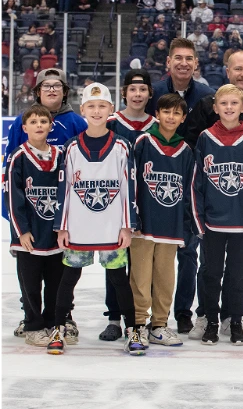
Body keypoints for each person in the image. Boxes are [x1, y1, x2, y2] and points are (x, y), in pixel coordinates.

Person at [48, 83, 143, 356]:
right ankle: (58, 328)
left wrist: (128, 225)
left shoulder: (123, 147)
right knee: (68, 278)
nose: (97, 110)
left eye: (102, 106)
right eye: (91, 106)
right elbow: (63, 189)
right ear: (83, 110)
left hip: (112, 226)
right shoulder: (71, 148)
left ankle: (133, 329)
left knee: (118, 280)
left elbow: (128, 188)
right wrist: (61, 225)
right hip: (79, 225)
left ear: (111, 110)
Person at [184, 50, 243, 340]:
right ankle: (208, 319)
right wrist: (198, 220)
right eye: (224, 103)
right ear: (215, 107)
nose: (229, 107)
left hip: (242, 222)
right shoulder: (205, 138)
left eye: (235, 103)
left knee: (237, 275)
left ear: (242, 106)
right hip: (212, 223)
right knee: (209, 273)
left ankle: (234, 319)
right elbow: (196, 182)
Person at [145, 38, 213, 335]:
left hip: (190, 186)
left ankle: (183, 312)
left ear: (196, 64)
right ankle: (143, 314)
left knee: (187, 253)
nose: (184, 63)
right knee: (150, 252)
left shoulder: (208, 96)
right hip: (156, 185)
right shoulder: (153, 94)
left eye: (189, 58)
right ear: (168, 62)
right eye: (178, 58)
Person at [97, 69, 156, 342]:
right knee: (115, 264)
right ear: (124, 93)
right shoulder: (110, 123)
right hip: (113, 205)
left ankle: (141, 319)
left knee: (143, 266)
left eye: (142, 89)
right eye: (132, 89)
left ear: (149, 94)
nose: (137, 94)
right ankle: (114, 318)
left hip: (148, 203)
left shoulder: (157, 125)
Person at [130, 93, 194, 347]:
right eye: (166, 111)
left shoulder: (186, 150)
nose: (170, 117)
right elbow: (131, 180)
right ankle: (137, 325)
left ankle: (159, 324)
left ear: (183, 118)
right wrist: (132, 217)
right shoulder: (143, 142)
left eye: (176, 113)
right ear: (157, 114)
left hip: (171, 223)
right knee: (140, 276)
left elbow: (188, 189)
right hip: (144, 224)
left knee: (166, 276)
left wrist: (188, 222)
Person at [4, 105, 65, 347]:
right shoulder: (17, 157)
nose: (39, 125)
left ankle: (51, 322)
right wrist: (22, 231)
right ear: (24, 127)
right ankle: (32, 324)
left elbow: (67, 194)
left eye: (43, 121)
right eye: (34, 121)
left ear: (51, 126)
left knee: (55, 282)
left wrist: (63, 226)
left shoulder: (60, 156)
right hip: (28, 235)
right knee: (30, 283)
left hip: (54, 232)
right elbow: (13, 197)